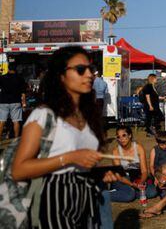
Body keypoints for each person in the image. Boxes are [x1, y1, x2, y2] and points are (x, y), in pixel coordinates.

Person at [11, 46, 119, 228]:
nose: (89, 75)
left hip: (86, 197)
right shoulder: (44, 115)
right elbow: (19, 169)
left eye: (91, 69)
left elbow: (80, 163)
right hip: (53, 198)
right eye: (80, 69)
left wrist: (98, 173)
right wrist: (69, 157)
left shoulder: (87, 117)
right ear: (61, 76)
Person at [110, 125, 156, 202]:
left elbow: (144, 171)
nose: (121, 139)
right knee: (129, 195)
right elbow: (120, 176)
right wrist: (132, 184)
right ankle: (103, 194)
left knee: (152, 192)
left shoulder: (138, 148)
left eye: (124, 135)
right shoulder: (116, 151)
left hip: (136, 177)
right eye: (118, 137)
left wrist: (140, 183)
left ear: (130, 135)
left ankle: (131, 192)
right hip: (122, 179)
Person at [0, 63, 27, 139]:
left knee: (2, 121)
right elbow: (23, 93)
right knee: (16, 121)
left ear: (8, 69)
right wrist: (24, 103)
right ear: (15, 69)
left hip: (3, 102)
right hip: (15, 102)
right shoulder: (20, 78)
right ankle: (16, 139)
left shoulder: (2, 78)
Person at [149, 130, 166, 197]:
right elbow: (151, 166)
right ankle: (163, 189)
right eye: (162, 144)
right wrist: (155, 177)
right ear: (157, 142)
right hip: (157, 172)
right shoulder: (154, 150)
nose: (164, 146)